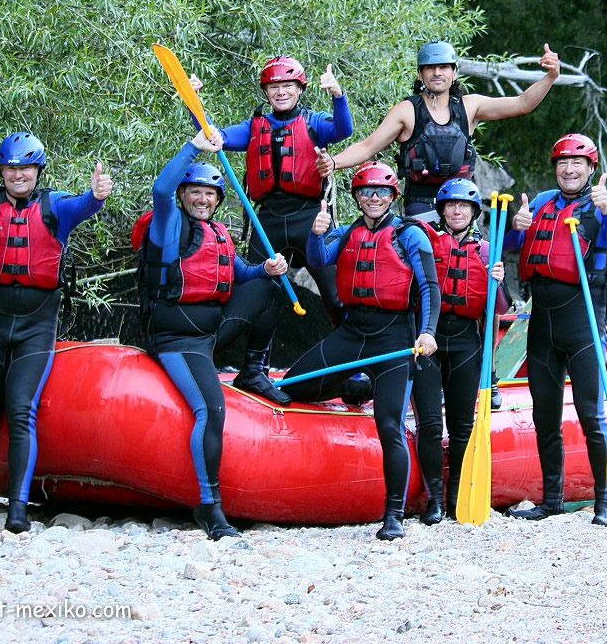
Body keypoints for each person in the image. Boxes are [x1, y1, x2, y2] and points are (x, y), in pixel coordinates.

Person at [134, 128, 289, 540]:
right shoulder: (169, 226)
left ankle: (253, 370)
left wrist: (267, 269)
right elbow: (160, 188)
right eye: (195, 193)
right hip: (175, 339)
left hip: (210, 333)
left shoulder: (219, 234)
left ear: (218, 201)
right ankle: (210, 506)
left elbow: (243, 277)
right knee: (211, 409)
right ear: (185, 196)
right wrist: (192, 148)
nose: (202, 200)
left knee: (268, 288)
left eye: (210, 195)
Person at [0, 132, 113, 534]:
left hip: (36, 324)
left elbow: (85, 205)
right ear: (2, 171)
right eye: (10, 168)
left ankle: (18, 510)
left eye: (24, 167)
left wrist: (96, 194)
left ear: (37, 171)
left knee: (22, 409)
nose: (17, 174)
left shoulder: (55, 206)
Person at [277, 161, 439, 541]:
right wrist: (315, 235)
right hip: (353, 332)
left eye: (381, 192)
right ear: (357, 197)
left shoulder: (409, 235)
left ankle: (394, 513)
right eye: (366, 192)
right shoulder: (347, 232)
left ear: (392, 196)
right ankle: (355, 387)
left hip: (394, 338)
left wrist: (427, 332)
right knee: (294, 385)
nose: (373, 198)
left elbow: (430, 286)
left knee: (389, 427)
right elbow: (317, 259)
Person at [502, 134, 607, 527]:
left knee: (591, 416)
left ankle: (604, 502)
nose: (569, 170)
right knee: (545, 414)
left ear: (591, 169)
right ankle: (552, 500)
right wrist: (515, 226)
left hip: (584, 320)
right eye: (562, 164)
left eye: (577, 164)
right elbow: (508, 245)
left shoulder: (601, 205)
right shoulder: (540, 204)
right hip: (542, 322)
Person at [206, 57, 353, 392]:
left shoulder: (313, 123)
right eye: (274, 87)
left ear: (300, 89)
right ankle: (254, 369)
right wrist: (194, 104)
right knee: (260, 289)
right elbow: (214, 136)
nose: (281, 92)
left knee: (334, 292)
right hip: (267, 220)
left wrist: (337, 95)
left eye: (288, 86)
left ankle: (354, 367)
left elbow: (343, 130)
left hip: (309, 218)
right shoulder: (254, 126)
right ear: (266, 91)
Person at [318, 40, 561, 221]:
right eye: (431, 67)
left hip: (461, 205)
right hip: (421, 206)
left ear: (454, 72)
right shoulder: (406, 111)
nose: (437, 73)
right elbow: (367, 147)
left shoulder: (470, 106)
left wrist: (550, 77)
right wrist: (333, 162)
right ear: (420, 73)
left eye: (444, 67)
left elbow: (522, 104)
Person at [411, 178, 505, 524]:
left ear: (473, 212)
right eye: (450, 205)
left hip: (467, 342)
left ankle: (457, 497)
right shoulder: (425, 243)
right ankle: (434, 499)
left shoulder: (486, 251)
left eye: (463, 205)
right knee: (431, 426)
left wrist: (498, 280)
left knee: (462, 427)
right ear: (441, 210)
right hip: (429, 340)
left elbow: (498, 308)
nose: (456, 210)